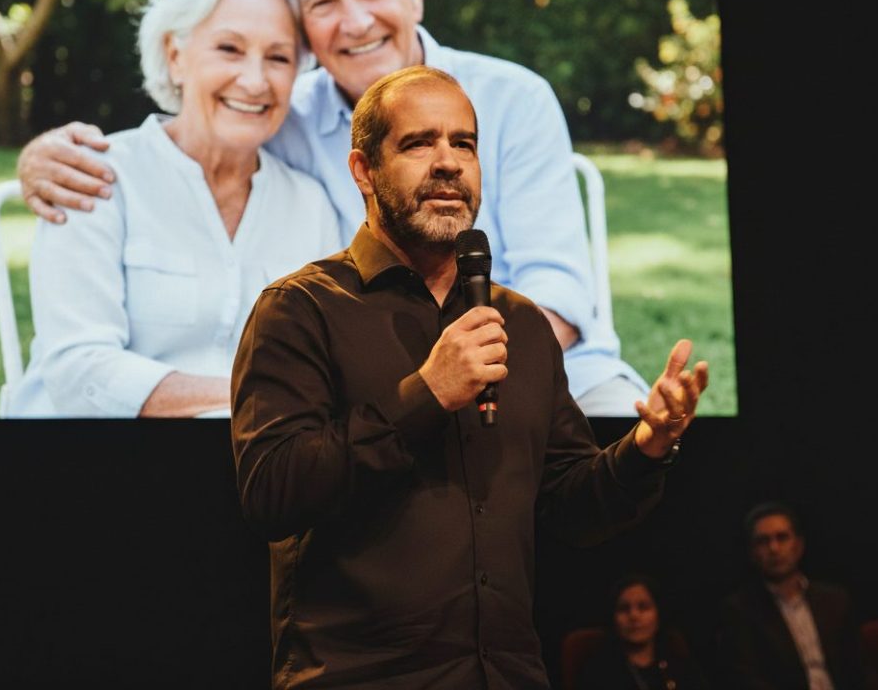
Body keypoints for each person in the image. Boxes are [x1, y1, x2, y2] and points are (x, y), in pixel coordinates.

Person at [15, 0, 649, 418]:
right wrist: (40, 158)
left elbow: (559, 294)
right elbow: (197, 129)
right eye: (321, 2)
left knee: (631, 442)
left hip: (541, 369)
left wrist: (463, 381)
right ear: (311, 35)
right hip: (379, 404)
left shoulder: (514, 99)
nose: (353, 20)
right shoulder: (283, 120)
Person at [230, 65, 710, 688]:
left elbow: (572, 506)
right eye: (418, 143)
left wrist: (647, 448)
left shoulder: (521, 325)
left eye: (464, 143)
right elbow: (272, 492)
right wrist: (425, 394)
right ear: (363, 171)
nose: (449, 162)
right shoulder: (302, 310)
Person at [7, 0, 340, 417]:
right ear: (176, 55)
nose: (254, 80)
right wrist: (255, 397)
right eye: (229, 48)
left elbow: (323, 367)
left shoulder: (309, 205)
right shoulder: (92, 175)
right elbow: (78, 371)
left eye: (279, 58)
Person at [716, 501, 865, 690]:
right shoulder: (739, 610)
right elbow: (744, 679)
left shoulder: (835, 600)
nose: (774, 548)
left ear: (798, 545)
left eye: (782, 537)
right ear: (752, 553)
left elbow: (857, 670)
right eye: (763, 541)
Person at [576, 573, 711, 690]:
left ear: (658, 615)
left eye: (643, 607)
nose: (634, 616)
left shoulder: (679, 665)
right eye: (624, 608)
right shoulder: (597, 673)